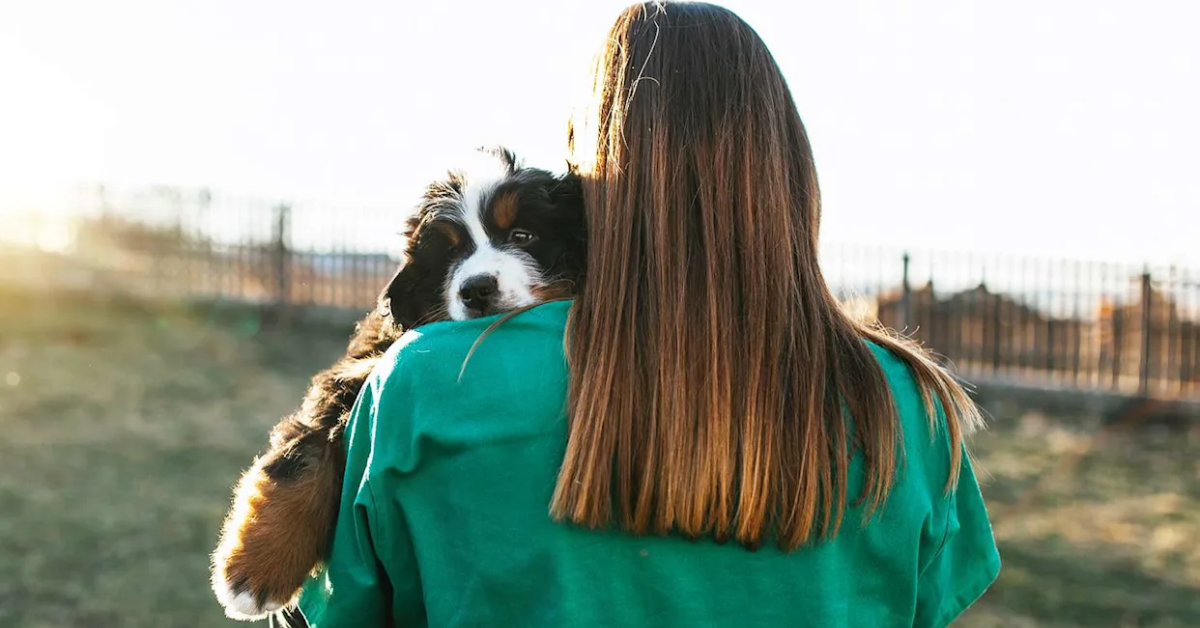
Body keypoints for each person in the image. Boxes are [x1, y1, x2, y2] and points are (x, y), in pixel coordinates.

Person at [293, 2, 1000, 626]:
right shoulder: (906, 402)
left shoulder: (426, 381)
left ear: (590, 181)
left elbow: (321, 608)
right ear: (792, 176)